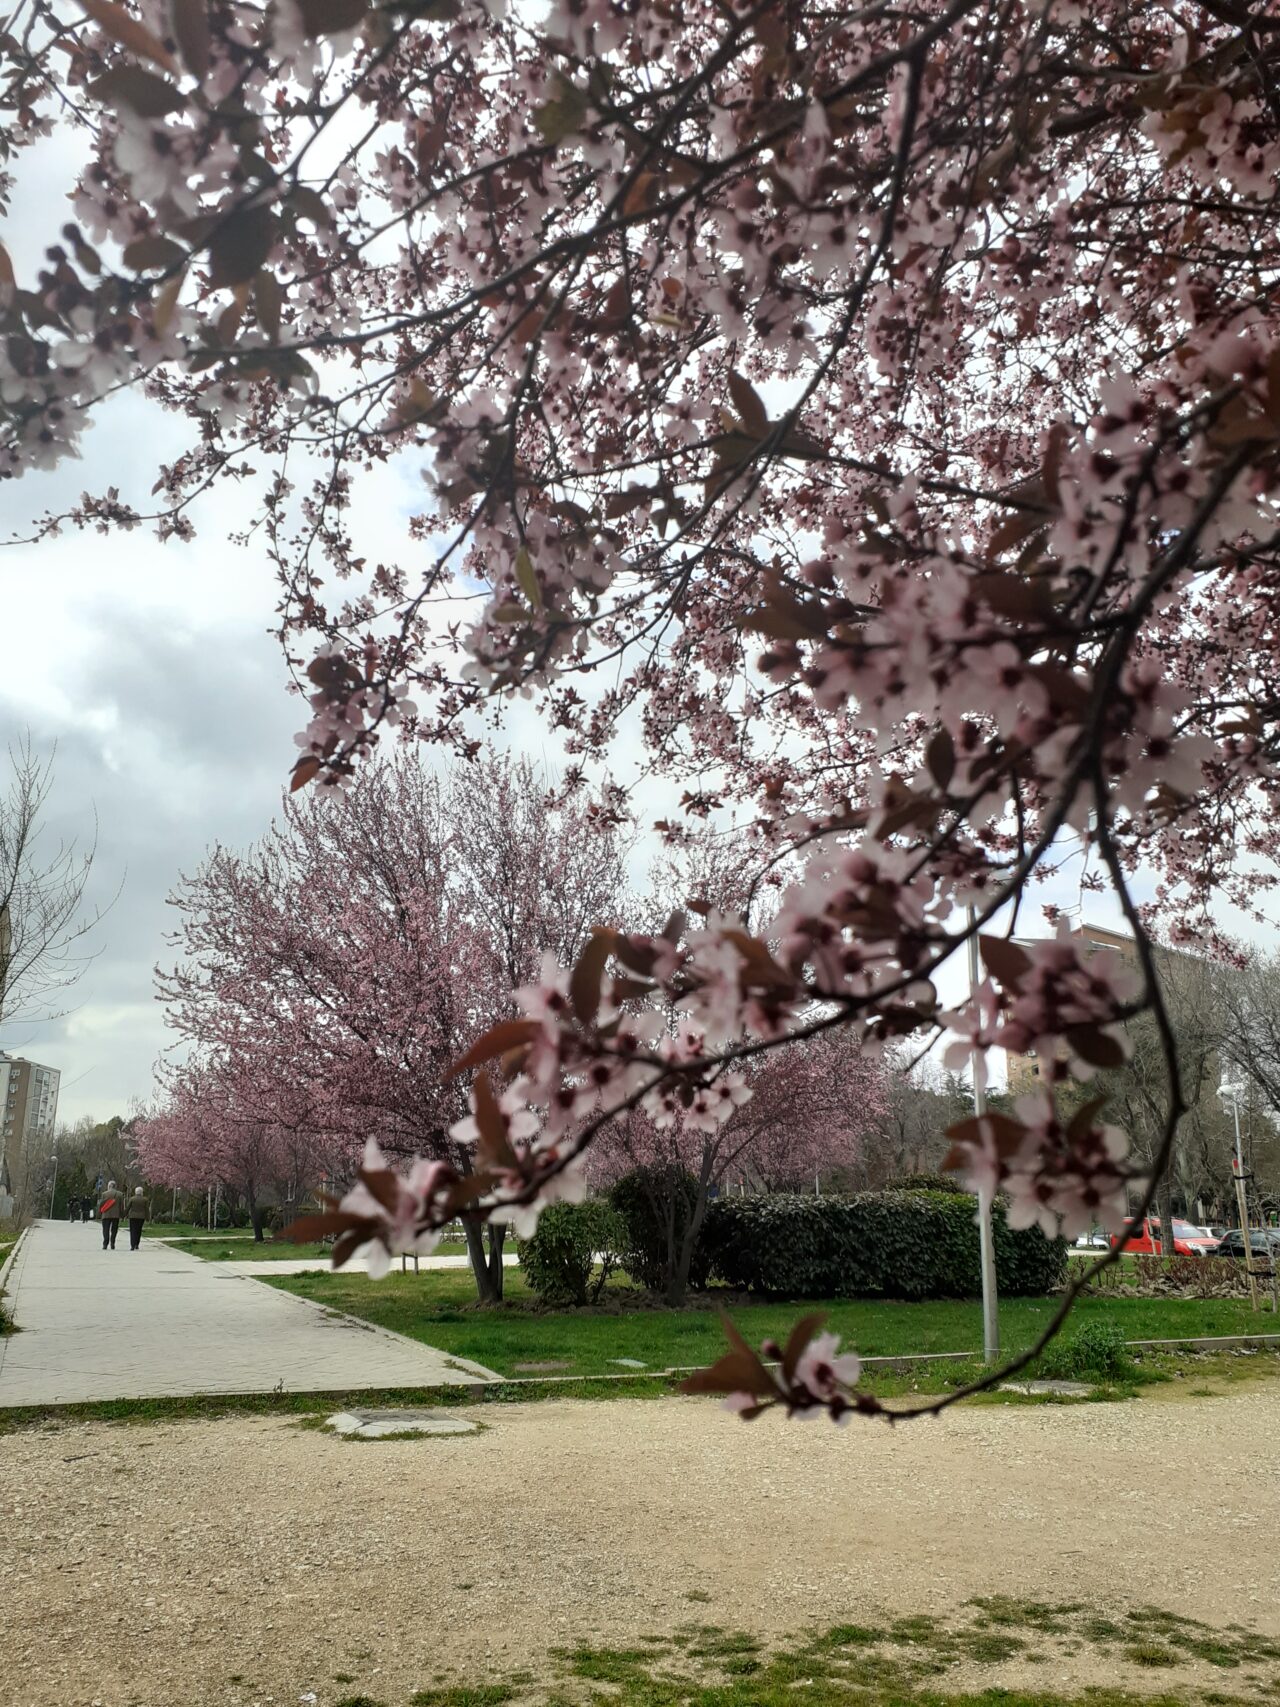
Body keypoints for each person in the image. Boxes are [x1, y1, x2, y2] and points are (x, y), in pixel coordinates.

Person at [97, 1182, 123, 1250]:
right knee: (114, 1230)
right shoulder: (120, 1194)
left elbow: (101, 1204)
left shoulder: (104, 1194)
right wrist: (122, 1215)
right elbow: (121, 1206)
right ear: (115, 1186)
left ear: (109, 1186)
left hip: (106, 1214)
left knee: (105, 1230)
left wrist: (99, 1213)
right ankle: (112, 1243)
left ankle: (105, 1244)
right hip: (116, 1215)